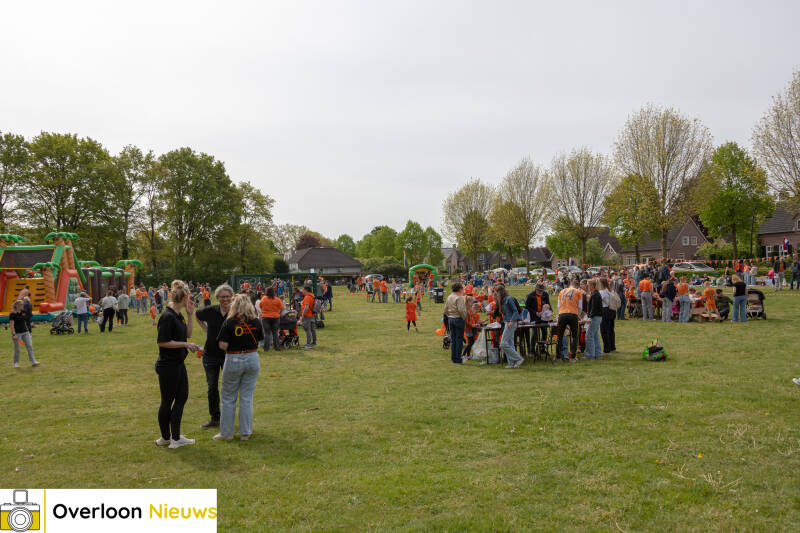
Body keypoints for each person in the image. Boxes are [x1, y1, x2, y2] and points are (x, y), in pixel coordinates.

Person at [155, 280, 200, 449]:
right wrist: (185, 345)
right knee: (168, 401)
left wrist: (190, 315)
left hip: (178, 364)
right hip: (168, 365)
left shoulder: (178, 315)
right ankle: (169, 438)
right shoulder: (167, 317)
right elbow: (162, 342)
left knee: (181, 397)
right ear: (185, 298)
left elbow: (188, 334)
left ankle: (172, 436)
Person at [214, 294, 264, 442]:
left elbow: (223, 345)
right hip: (252, 357)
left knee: (228, 397)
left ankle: (226, 433)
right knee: (246, 397)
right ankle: (245, 433)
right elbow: (260, 339)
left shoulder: (229, 322)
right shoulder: (256, 321)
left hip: (234, 358)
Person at [195, 284, 234, 429]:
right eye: (222, 297)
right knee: (212, 387)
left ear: (232, 297)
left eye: (227, 296)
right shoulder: (210, 311)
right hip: (210, 355)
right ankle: (215, 418)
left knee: (229, 387)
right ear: (217, 298)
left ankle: (228, 417)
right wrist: (205, 330)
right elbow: (197, 315)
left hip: (229, 355)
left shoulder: (235, 312)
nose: (225, 299)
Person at [496, 285, 523, 369]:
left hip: (511, 323)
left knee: (503, 343)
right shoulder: (503, 301)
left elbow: (515, 311)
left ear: (500, 292)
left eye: (496, 293)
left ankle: (518, 358)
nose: (496, 295)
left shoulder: (509, 299)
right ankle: (511, 363)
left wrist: (511, 321)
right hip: (507, 322)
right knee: (510, 344)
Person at [556, 279, 583, 362]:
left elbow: (558, 305)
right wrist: (578, 315)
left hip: (562, 314)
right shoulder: (578, 292)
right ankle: (573, 356)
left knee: (560, 336)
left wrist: (560, 313)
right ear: (577, 286)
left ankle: (559, 356)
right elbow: (580, 306)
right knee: (574, 336)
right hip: (573, 314)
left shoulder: (562, 291)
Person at [444, 282, 468, 365]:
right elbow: (461, 310)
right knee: (459, 340)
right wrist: (464, 317)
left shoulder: (449, 296)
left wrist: (449, 315)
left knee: (453, 340)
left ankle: (454, 358)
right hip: (458, 318)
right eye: (462, 288)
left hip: (451, 318)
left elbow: (445, 309)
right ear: (460, 289)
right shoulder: (459, 298)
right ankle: (458, 359)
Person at [10, 300, 38, 368]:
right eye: (21, 304)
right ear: (17, 306)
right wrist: (14, 334)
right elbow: (11, 325)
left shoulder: (24, 312)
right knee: (17, 348)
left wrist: (31, 327)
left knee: (30, 346)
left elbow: (26, 322)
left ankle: (33, 361)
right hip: (17, 334)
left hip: (25, 332)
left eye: (23, 304)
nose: (23, 306)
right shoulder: (12, 314)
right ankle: (16, 363)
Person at [525, 283, 551, 353]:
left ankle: (542, 348)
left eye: (542, 290)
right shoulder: (530, 295)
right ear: (535, 289)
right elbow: (527, 307)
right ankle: (532, 350)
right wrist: (535, 312)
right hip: (534, 317)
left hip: (543, 317)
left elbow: (548, 304)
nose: (541, 292)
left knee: (544, 332)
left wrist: (549, 311)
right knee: (534, 333)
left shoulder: (545, 294)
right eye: (539, 290)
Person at [259, 287, 283, 352]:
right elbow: (281, 308)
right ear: (274, 292)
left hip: (265, 317)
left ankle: (266, 349)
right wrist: (278, 313)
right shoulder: (277, 299)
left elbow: (260, 306)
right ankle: (277, 348)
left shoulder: (263, 299)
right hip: (275, 317)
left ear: (266, 292)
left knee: (267, 333)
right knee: (275, 333)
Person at [585, 279, 603, 359]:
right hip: (597, 316)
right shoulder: (595, 294)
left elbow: (594, 308)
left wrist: (590, 317)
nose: (587, 286)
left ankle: (590, 354)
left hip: (595, 317)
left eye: (588, 285)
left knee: (589, 335)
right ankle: (597, 354)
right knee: (595, 335)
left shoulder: (595, 295)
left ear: (592, 286)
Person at [598, 278, 616, 353]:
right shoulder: (609, 290)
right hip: (612, 310)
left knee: (604, 330)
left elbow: (598, 300)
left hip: (605, 310)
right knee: (610, 329)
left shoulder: (602, 292)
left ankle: (607, 348)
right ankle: (612, 346)